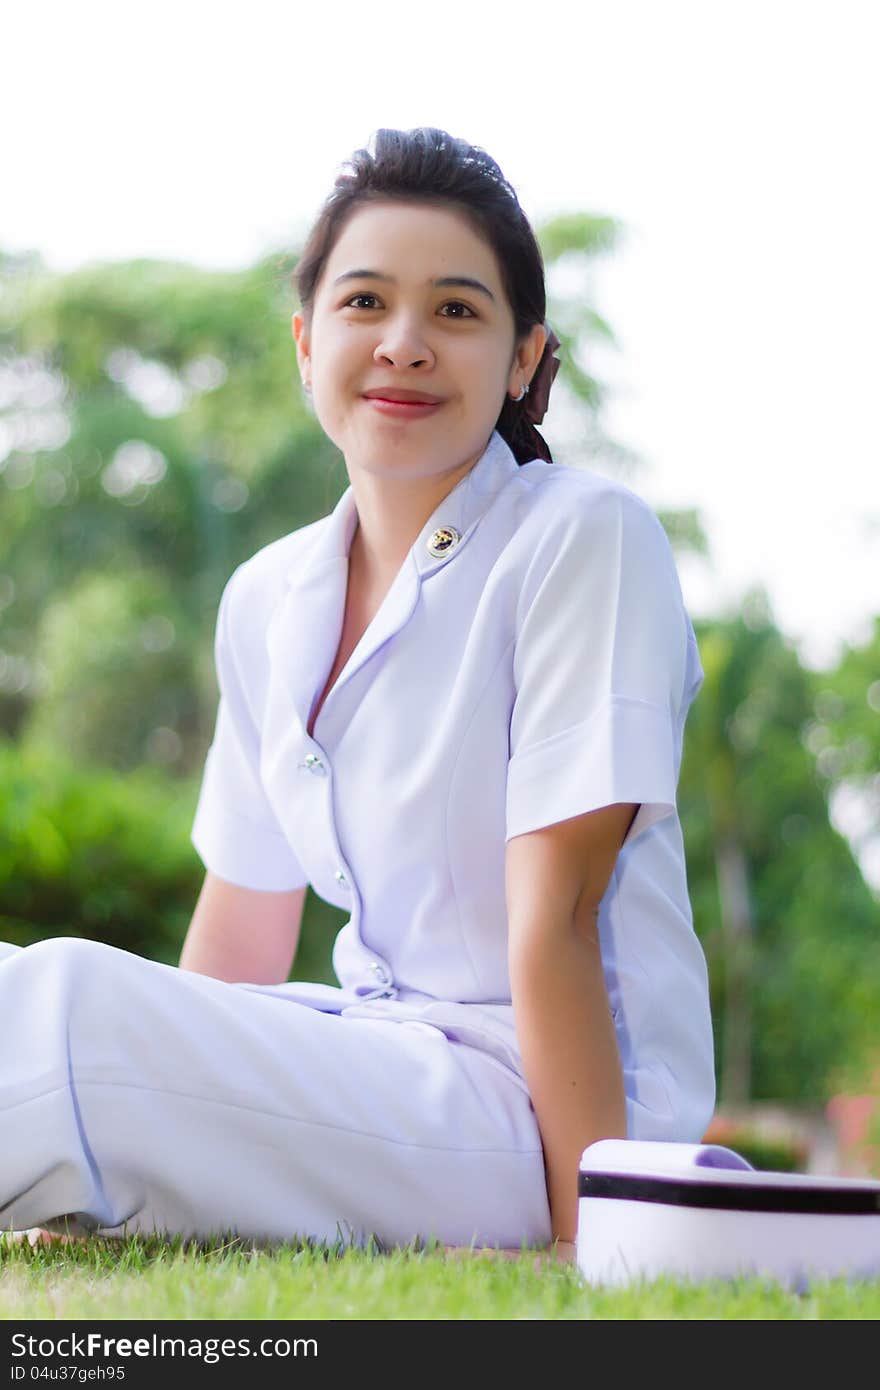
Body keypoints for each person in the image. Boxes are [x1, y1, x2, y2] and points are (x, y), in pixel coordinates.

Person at [0, 127, 714, 1261]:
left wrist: (598, 1248)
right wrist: (152, 1129)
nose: (404, 344)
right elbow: (239, 929)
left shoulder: (583, 540)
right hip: (371, 1066)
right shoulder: (266, 595)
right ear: (304, 341)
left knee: (66, 1012)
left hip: (532, 1111)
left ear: (526, 358)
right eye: (365, 302)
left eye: (457, 312)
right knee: (31, 996)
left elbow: (557, 918)